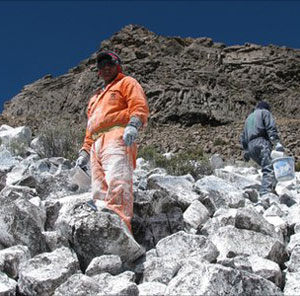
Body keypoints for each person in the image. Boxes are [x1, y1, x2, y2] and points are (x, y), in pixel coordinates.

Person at [76, 51, 149, 232]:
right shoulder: (95, 98)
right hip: (96, 143)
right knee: (99, 187)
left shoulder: (127, 83)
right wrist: (84, 151)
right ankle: (103, 227)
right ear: (98, 72)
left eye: (110, 64)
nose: (106, 68)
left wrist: (133, 124)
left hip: (117, 136)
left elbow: (138, 105)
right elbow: (91, 126)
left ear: (118, 66)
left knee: (118, 179)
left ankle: (120, 225)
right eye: (102, 66)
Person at [241, 101, 284, 196]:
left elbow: (243, 136)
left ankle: (271, 190)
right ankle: (265, 194)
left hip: (250, 146)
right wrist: (276, 142)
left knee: (268, 167)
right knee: (269, 168)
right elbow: (271, 127)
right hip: (261, 143)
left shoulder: (249, 117)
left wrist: (246, 151)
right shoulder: (265, 112)